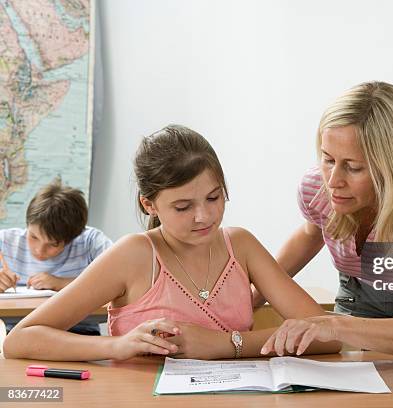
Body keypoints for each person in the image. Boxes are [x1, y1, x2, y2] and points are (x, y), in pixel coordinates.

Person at [3, 125, 340, 361]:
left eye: (213, 197)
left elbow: (329, 335)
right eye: (182, 207)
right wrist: (116, 346)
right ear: (149, 204)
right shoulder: (133, 254)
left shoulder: (242, 245)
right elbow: (20, 340)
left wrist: (227, 344)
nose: (203, 216)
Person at [258, 82, 393, 379]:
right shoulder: (317, 188)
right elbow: (310, 235)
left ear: (392, 167)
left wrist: (333, 324)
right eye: (328, 159)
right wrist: (249, 298)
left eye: (353, 167)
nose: (333, 180)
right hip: (358, 293)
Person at [0, 179, 113, 335]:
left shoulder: (90, 241)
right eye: (33, 237)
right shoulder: (5, 241)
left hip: (79, 333)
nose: (39, 250)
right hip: (17, 333)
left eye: (52, 245)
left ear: (71, 239)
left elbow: (118, 283)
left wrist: (60, 283)